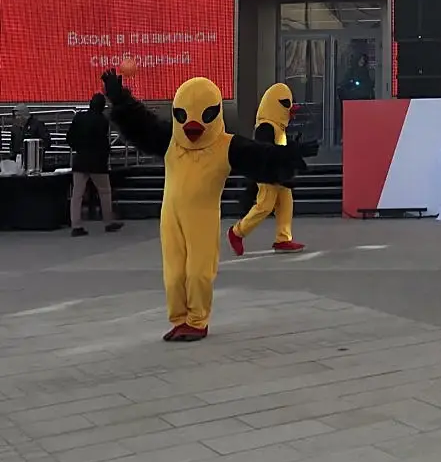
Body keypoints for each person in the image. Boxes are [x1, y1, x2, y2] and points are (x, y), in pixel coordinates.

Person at [100, 70, 316, 342]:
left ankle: (197, 321)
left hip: (202, 220)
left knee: (198, 273)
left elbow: (259, 155)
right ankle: (180, 319)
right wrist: (120, 98)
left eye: (205, 116)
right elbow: (140, 123)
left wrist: (290, 155)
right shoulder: (170, 140)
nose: (193, 126)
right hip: (171, 219)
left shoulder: (225, 145)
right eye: (183, 116)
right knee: (174, 274)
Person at [228, 82, 306, 256]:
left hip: (279, 176)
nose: (290, 112)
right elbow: (264, 152)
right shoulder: (265, 127)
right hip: (267, 176)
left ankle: (283, 239)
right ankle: (237, 232)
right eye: (286, 105)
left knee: (286, 203)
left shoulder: (278, 128)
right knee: (265, 205)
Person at [67, 93, 122, 237]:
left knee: (77, 194)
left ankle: (76, 225)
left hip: (80, 160)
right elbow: (103, 142)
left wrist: (79, 148)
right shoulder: (102, 120)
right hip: (97, 162)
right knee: (104, 191)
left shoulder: (79, 117)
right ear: (102, 107)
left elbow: (70, 138)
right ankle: (108, 222)